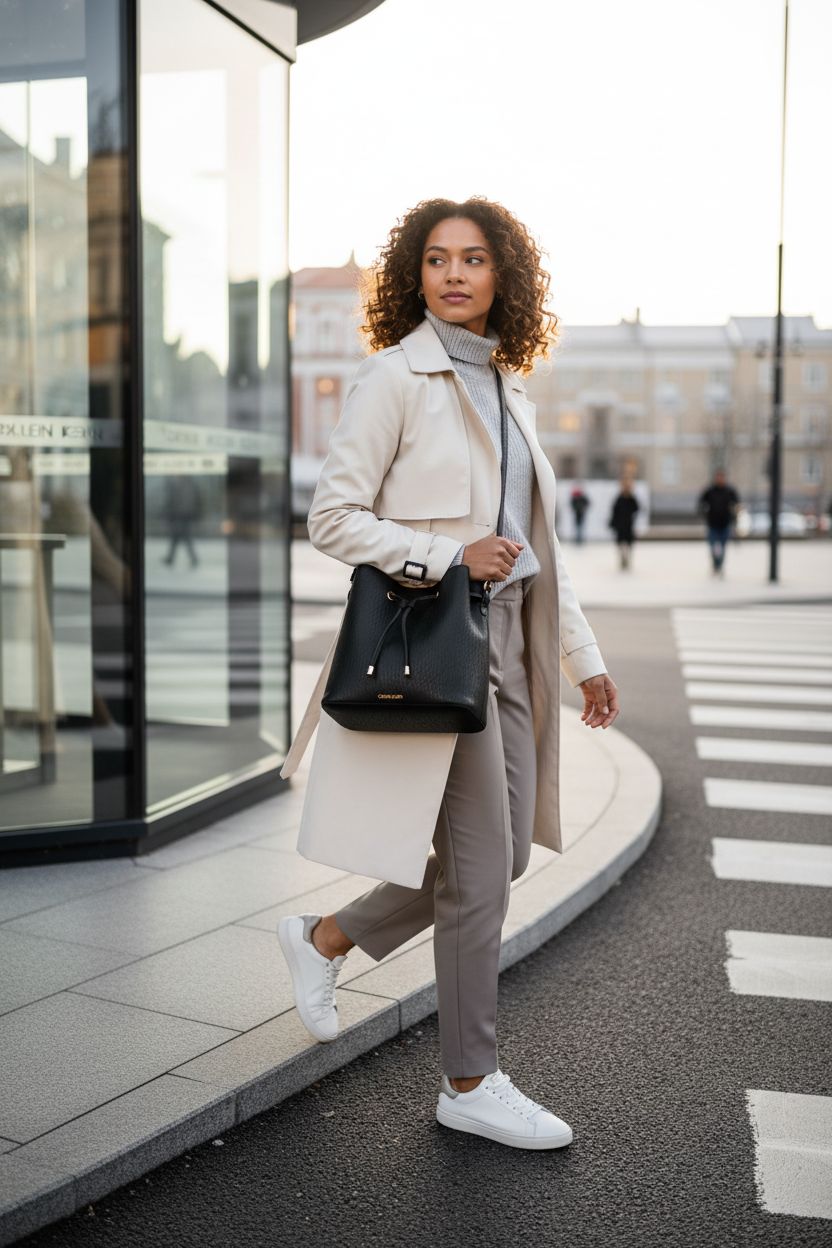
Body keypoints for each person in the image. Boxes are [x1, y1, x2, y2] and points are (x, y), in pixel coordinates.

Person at [277, 198, 619, 1151]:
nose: (455, 275)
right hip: (439, 646)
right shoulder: (394, 378)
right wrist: (443, 555)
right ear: (414, 277)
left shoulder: (512, 392)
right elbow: (334, 518)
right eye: (437, 260)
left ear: (504, 275)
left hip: (511, 644)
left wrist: (582, 659)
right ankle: (470, 1079)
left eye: (474, 259)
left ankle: (326, 939)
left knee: (495, 863)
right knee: (479, 872)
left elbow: (533, 547)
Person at [697, 469, 740, 576]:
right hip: (713, 524)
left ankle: (720, 566)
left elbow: (737, 504)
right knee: (713, 546)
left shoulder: (729, 491)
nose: (720, 479)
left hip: (725, 524)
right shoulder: (710, 490)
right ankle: (715, 565)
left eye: (721, 477)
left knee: (723, 547)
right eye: (718, 477)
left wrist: (734, 516)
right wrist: (705, 514)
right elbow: (701, 503)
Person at [162, 473, 201, 568]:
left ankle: (191, 559)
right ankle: (171, 558)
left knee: (183, 537)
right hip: (182, 515)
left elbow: (181, 502)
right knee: (177, 537)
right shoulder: (187, 485)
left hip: (182, 515)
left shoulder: (185, 485)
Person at [609, 481, 639, 570]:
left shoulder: (632, 498)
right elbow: (614, 511)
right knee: (621, 543)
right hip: (621, 525)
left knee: (628, 543)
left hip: (628, 525)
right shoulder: (619, 498)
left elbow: (636, 508)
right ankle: (623, 558)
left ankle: (626, 558)